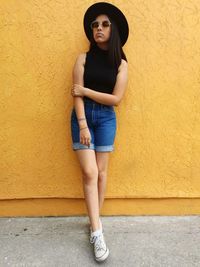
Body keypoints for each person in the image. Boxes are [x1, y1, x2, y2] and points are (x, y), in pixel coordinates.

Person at [70, 2, 129, 262]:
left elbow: (116, 99)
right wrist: (82, 124)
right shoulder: (82, 59)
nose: (99, 28)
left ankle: (95, 224)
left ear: (113, 29)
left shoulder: (121, 63)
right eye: (95, 25)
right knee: (90, 172)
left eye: (105, 24)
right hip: (83, 117)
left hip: (106, 119)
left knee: (102, 173)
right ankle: (96, 232)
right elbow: (76, 95)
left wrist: (86, 91)